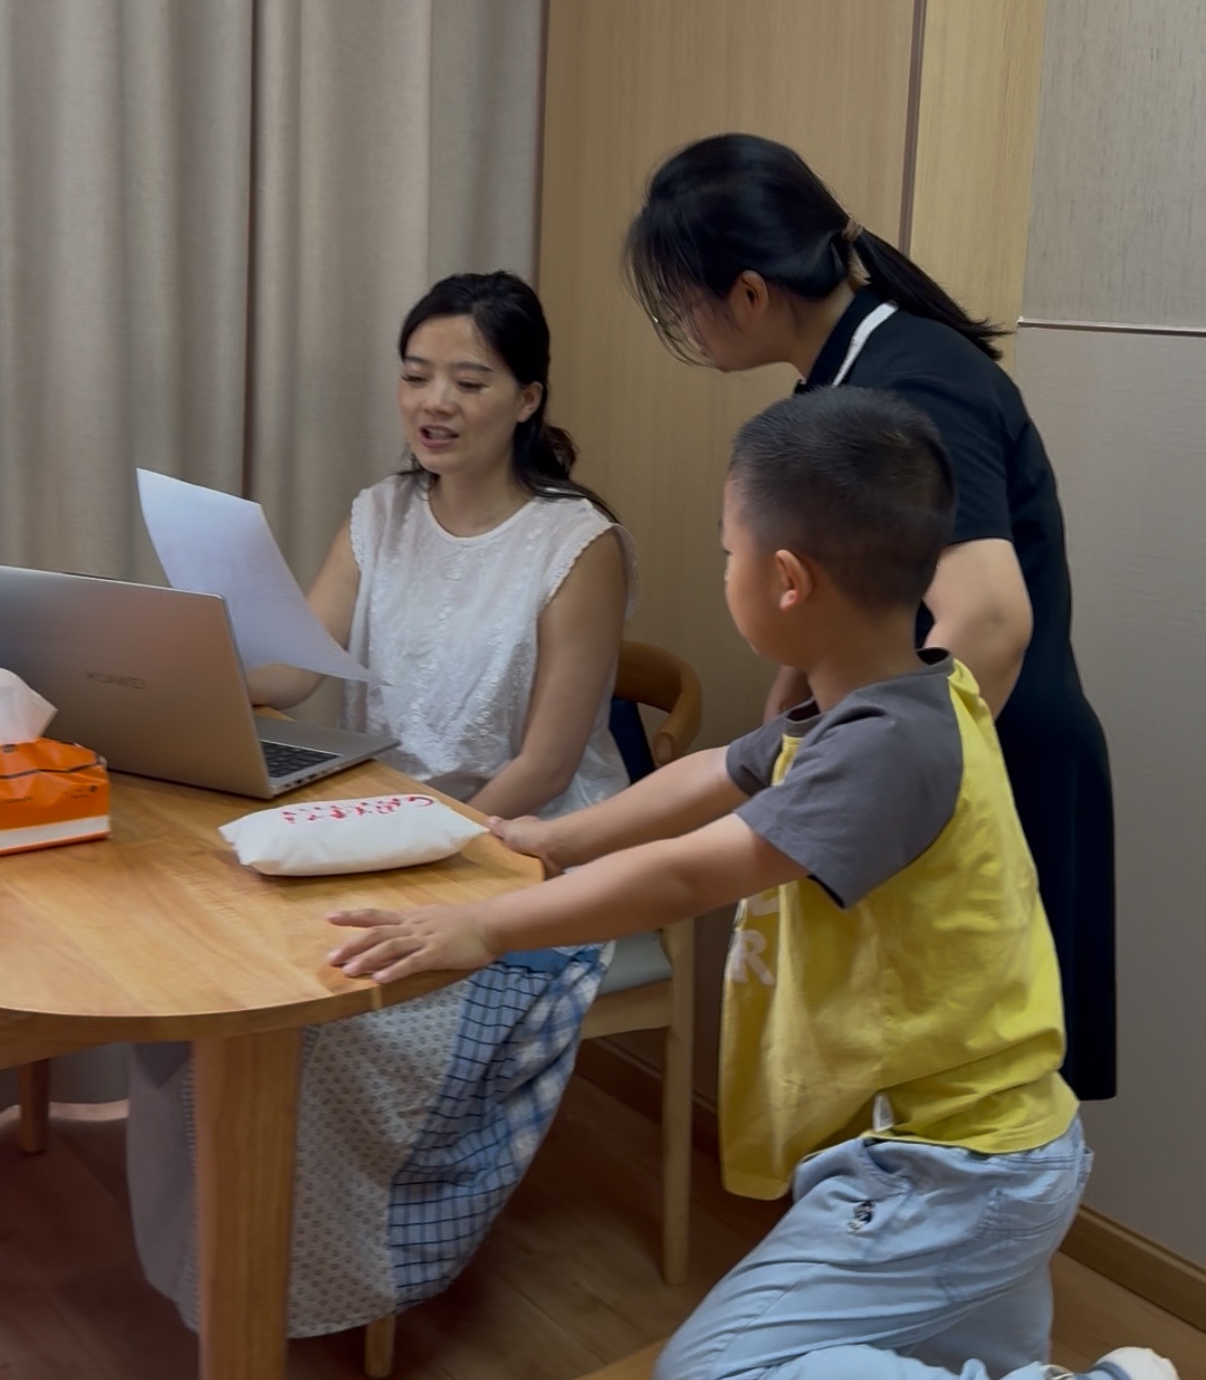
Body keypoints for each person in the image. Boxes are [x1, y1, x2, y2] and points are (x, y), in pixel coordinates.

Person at [326, 390, 1173, 1380]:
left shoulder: (887, 749)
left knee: (710, 1370)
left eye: (728, 552)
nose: (723, 568)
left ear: (786, 580)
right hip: (994, 1148)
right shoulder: (892, 698)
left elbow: (695, 867)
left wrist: (488, 926)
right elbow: (715, 769)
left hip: (948, 1165)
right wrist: (552, 836)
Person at [126, 270, 636, 1338]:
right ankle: (219, 1270)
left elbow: (545, 766)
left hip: (521, 846)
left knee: (326, 1029)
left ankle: (313, 1281)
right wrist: (182, 659)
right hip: (385, 820)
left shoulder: (578, 545)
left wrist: (435, 858)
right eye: (415, 376)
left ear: (528, 398)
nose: (434, 403)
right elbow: (293, 671)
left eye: (468, 381)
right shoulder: (380, 512)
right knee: (211, 984)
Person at [621, 131, 1115, 1102]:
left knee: (977, 1099)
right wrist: (795, 707)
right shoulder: (848, 372)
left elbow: (987, 619)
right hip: (928, 752)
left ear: (749, 293)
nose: (685, 325)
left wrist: (865, 773)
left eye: (682, 302)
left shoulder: (913, 377)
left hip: (989, 758)